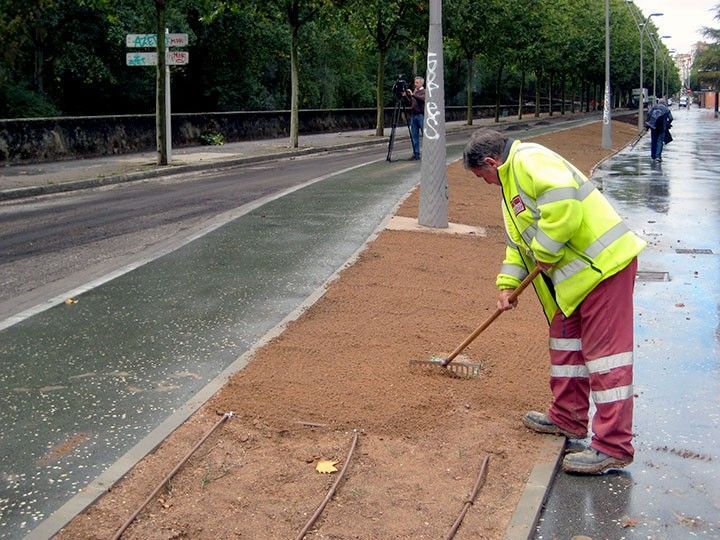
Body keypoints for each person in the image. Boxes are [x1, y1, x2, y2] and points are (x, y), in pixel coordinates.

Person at [463, 129, 646, 475]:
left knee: (606, 359)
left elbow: (564, 204)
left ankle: (613, 446)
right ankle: (568, 417)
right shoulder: (508, 189)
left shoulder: (529, 160)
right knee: (564, 344)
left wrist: (546, 250)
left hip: (603, 268)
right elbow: (518, 247)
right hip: (573, 282)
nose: (483, 182)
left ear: (491, 162)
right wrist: (507, 285)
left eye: (480, 176)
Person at [405, 76, 425, 160]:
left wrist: (413, 95)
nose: (415, 84)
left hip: (421, 115)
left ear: (421, 83)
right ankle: (416, 153)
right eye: (415, 82)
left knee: (425, 135)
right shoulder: (415, 91)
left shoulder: (424, 91)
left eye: (417, 83)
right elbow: (411, 102)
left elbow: (423, 99)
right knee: (414, 135)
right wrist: (407, 96)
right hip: (413, 115)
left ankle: (429, 152)